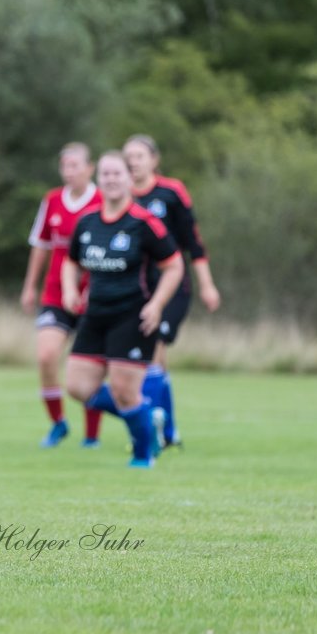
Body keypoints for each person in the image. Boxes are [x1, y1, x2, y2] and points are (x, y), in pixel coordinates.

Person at [63, 150, 184, 468]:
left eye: (118, 173)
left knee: (124, 392)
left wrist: (157, 305)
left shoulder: (145, 223)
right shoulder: (87, 222)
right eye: (106, 174)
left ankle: (144, 456)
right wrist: (69, 288)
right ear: (98, 179)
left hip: (133, 316)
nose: (112, 179)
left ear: (130, 179)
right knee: (77, 387)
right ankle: (148, 417)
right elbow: (70, 261)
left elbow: (174, 266)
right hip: (95, 314)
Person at [122, 135, 221, 448]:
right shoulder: (117, 196)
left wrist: (207, 284)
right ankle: (169, 430)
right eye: (128, 157)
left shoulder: (171, 192)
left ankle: (152, 432)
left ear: (154, 160)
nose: (133, 162)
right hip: (135, 289)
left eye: (139, 156)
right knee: (153, 362)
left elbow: (193, 242)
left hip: (173, 286)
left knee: (154, 350)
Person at [20, 142, 104, 449]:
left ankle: (92, 435)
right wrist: (30, 286)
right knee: (46, 356)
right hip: (56, 294)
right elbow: (40, 246)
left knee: (88, 368)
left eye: (75, 165)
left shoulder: (102, 200)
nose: (69, 172)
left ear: (89, 168)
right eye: (64, 166)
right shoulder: (52, 200)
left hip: (95, 298)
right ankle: (58, 423)